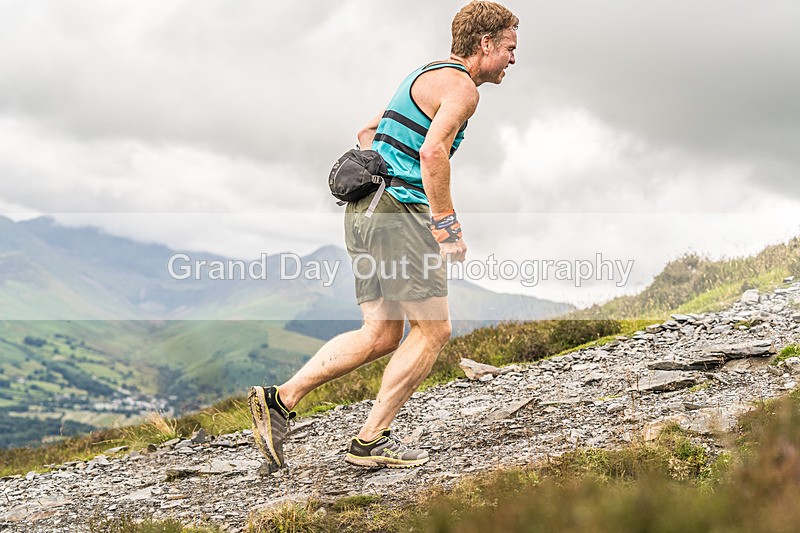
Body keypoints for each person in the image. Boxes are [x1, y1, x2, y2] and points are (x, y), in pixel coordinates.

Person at [249, 1, 518, 470]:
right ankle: (370, 441)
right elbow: (434, 154)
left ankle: (280, 399)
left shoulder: (421, 75)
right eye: (510, 48)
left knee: (381, 333)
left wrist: (384, 171)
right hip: (399, 215)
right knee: (434, 331)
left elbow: (367, 130)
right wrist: (446, 224)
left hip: (363, 211)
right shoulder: (461, 89)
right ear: (486, 43)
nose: (514, 59)